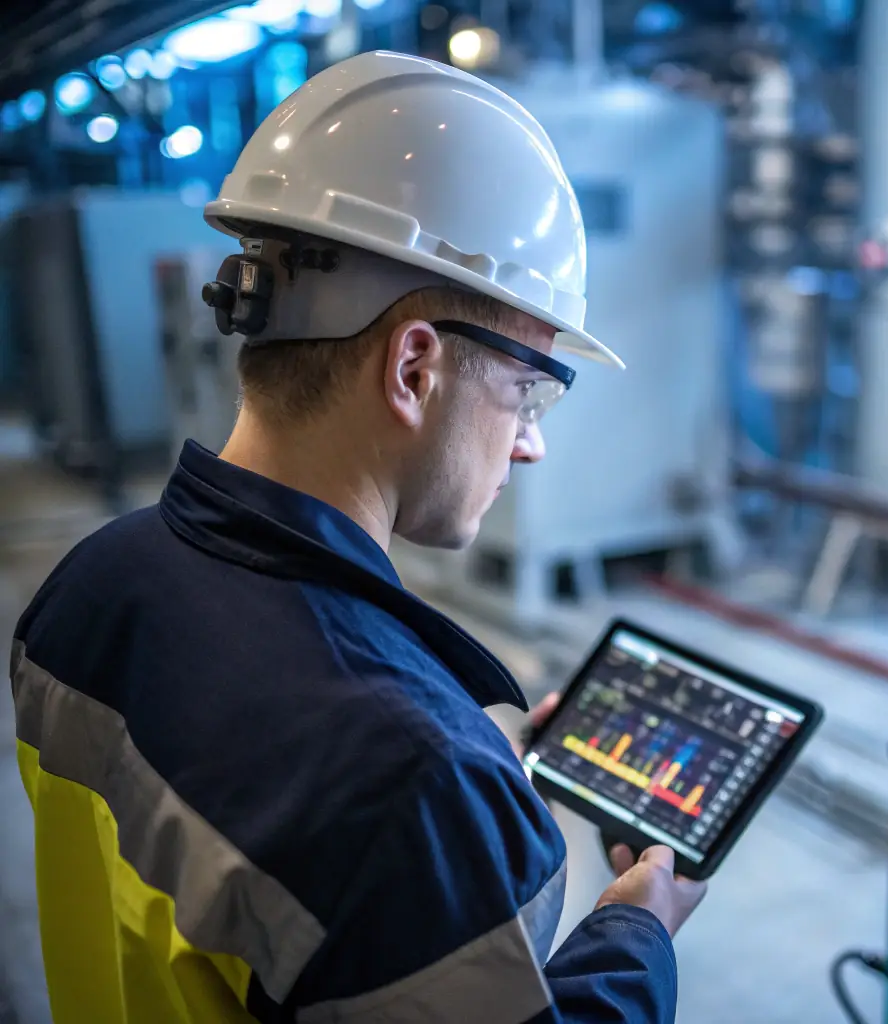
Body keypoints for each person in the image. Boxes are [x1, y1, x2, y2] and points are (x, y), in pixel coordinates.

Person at [9, 51, 706, 1023]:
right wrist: (636, 930)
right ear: (415, 369)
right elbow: (372, 813)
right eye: (528, 390)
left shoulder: (92, 582)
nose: (531, 443)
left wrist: (482, 794)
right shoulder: (410, 786)